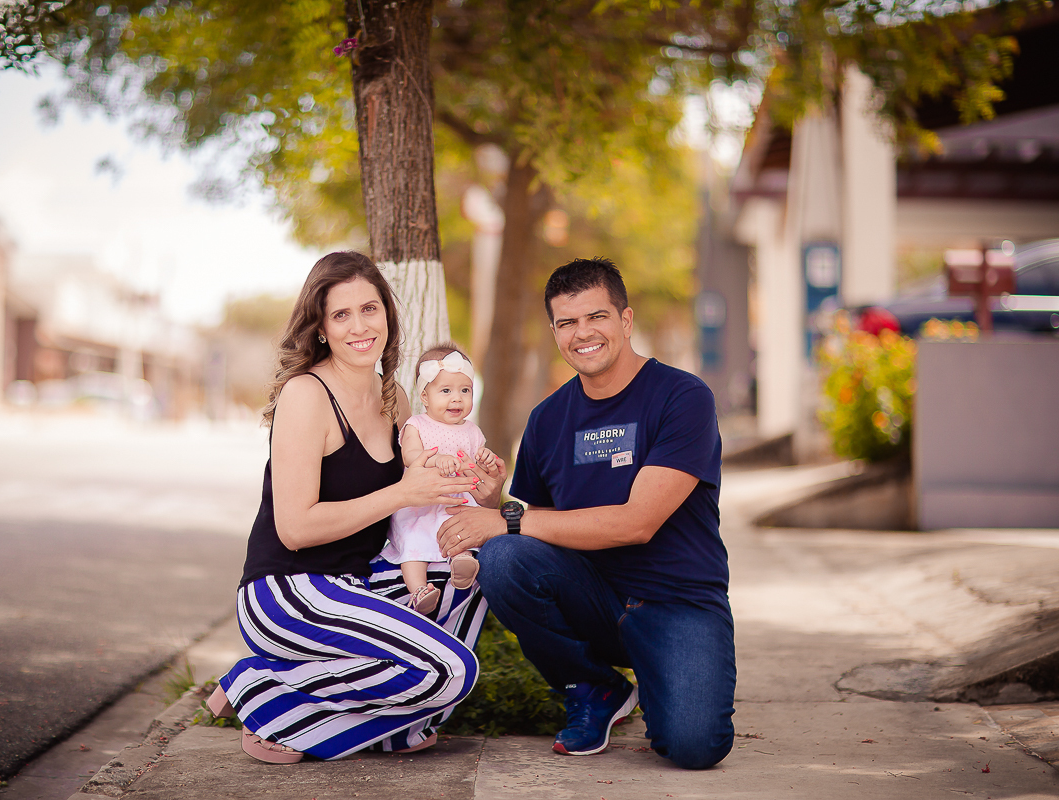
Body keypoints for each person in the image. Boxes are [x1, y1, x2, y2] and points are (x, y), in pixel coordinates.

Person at [206, 251, 506, 763]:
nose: (359, 326)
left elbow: (428, 508)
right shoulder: (307, 394)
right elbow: (295, 527)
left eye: (370, 309)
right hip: (288, 589)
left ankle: (351, 727)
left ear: (387, 314)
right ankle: (261, 689)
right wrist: (401, 492)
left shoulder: (396, 400)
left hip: (361, 581)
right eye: (340, 315)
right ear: (321, 328)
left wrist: (486, 491)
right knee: (449, 671)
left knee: (482, 570)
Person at [437, 256, 735, 770]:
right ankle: (594, 688)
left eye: (596, 316)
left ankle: (664, 672)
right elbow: (539, 535)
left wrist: (505, 519)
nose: (582, 333)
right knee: (506, 557)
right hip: (592, 596)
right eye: (567, 322)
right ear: (554, 331)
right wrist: (492, 502)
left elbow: (637, 522)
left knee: (694, 746)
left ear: (625, 320)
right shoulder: (548, 419)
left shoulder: (684, 397)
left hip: (677, 601)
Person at [380, 344, 499, 614]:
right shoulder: (417, 425)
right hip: (420, 505)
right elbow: (410, 456)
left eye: (464, 391)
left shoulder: (472, 430)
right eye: (446, 391)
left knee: (460, 528)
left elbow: (476, 458)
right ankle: (419, 589)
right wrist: (435, 459)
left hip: (454, 500)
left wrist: (485, 459)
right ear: (425, 395)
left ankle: (462, 562)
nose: (456, 399)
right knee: (413, 540)